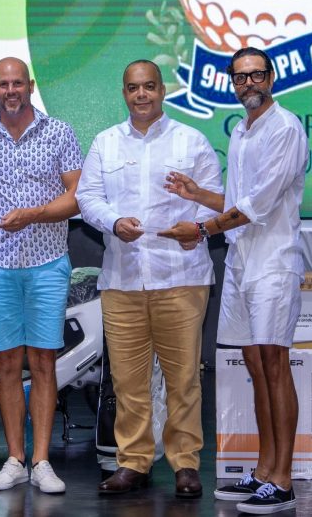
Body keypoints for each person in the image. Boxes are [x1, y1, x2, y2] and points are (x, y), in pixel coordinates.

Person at [158, 47, 308, 514]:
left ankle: (283, 481)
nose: (248, 84)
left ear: (271, 77)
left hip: (274, 262)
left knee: (274, 364)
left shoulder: (285, 128)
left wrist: (202, 229)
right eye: (240, 78)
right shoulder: (242, 131)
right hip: (243, 260)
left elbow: (259, 205)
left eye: (256, 75)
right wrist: (198, 194)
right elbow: (239, 200)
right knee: (256, 364)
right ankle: (263, 471)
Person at [76, 60, 222, 498]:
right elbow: (87, 196)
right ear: (124, 93)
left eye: (149, 87)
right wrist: (113, 221)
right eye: (133, 88)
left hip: (181, 276)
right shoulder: (105, 142)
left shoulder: (191, 140)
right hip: (123, 279)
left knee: (184, 379)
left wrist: (197, 228)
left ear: (162, 90)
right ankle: (133, 462)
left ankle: (185, 463)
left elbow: (215, 199)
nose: (141, 95)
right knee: (128, 381)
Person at [0, 57, 82, 495]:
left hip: (48, 262)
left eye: (18, 83)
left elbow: (78, 197)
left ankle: (42, 461)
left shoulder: (59, 132)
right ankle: (15, 460)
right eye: (3, 84)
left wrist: (34, 215)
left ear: (31, 85)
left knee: (43, 362)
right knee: (6, 363)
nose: (11, 91)